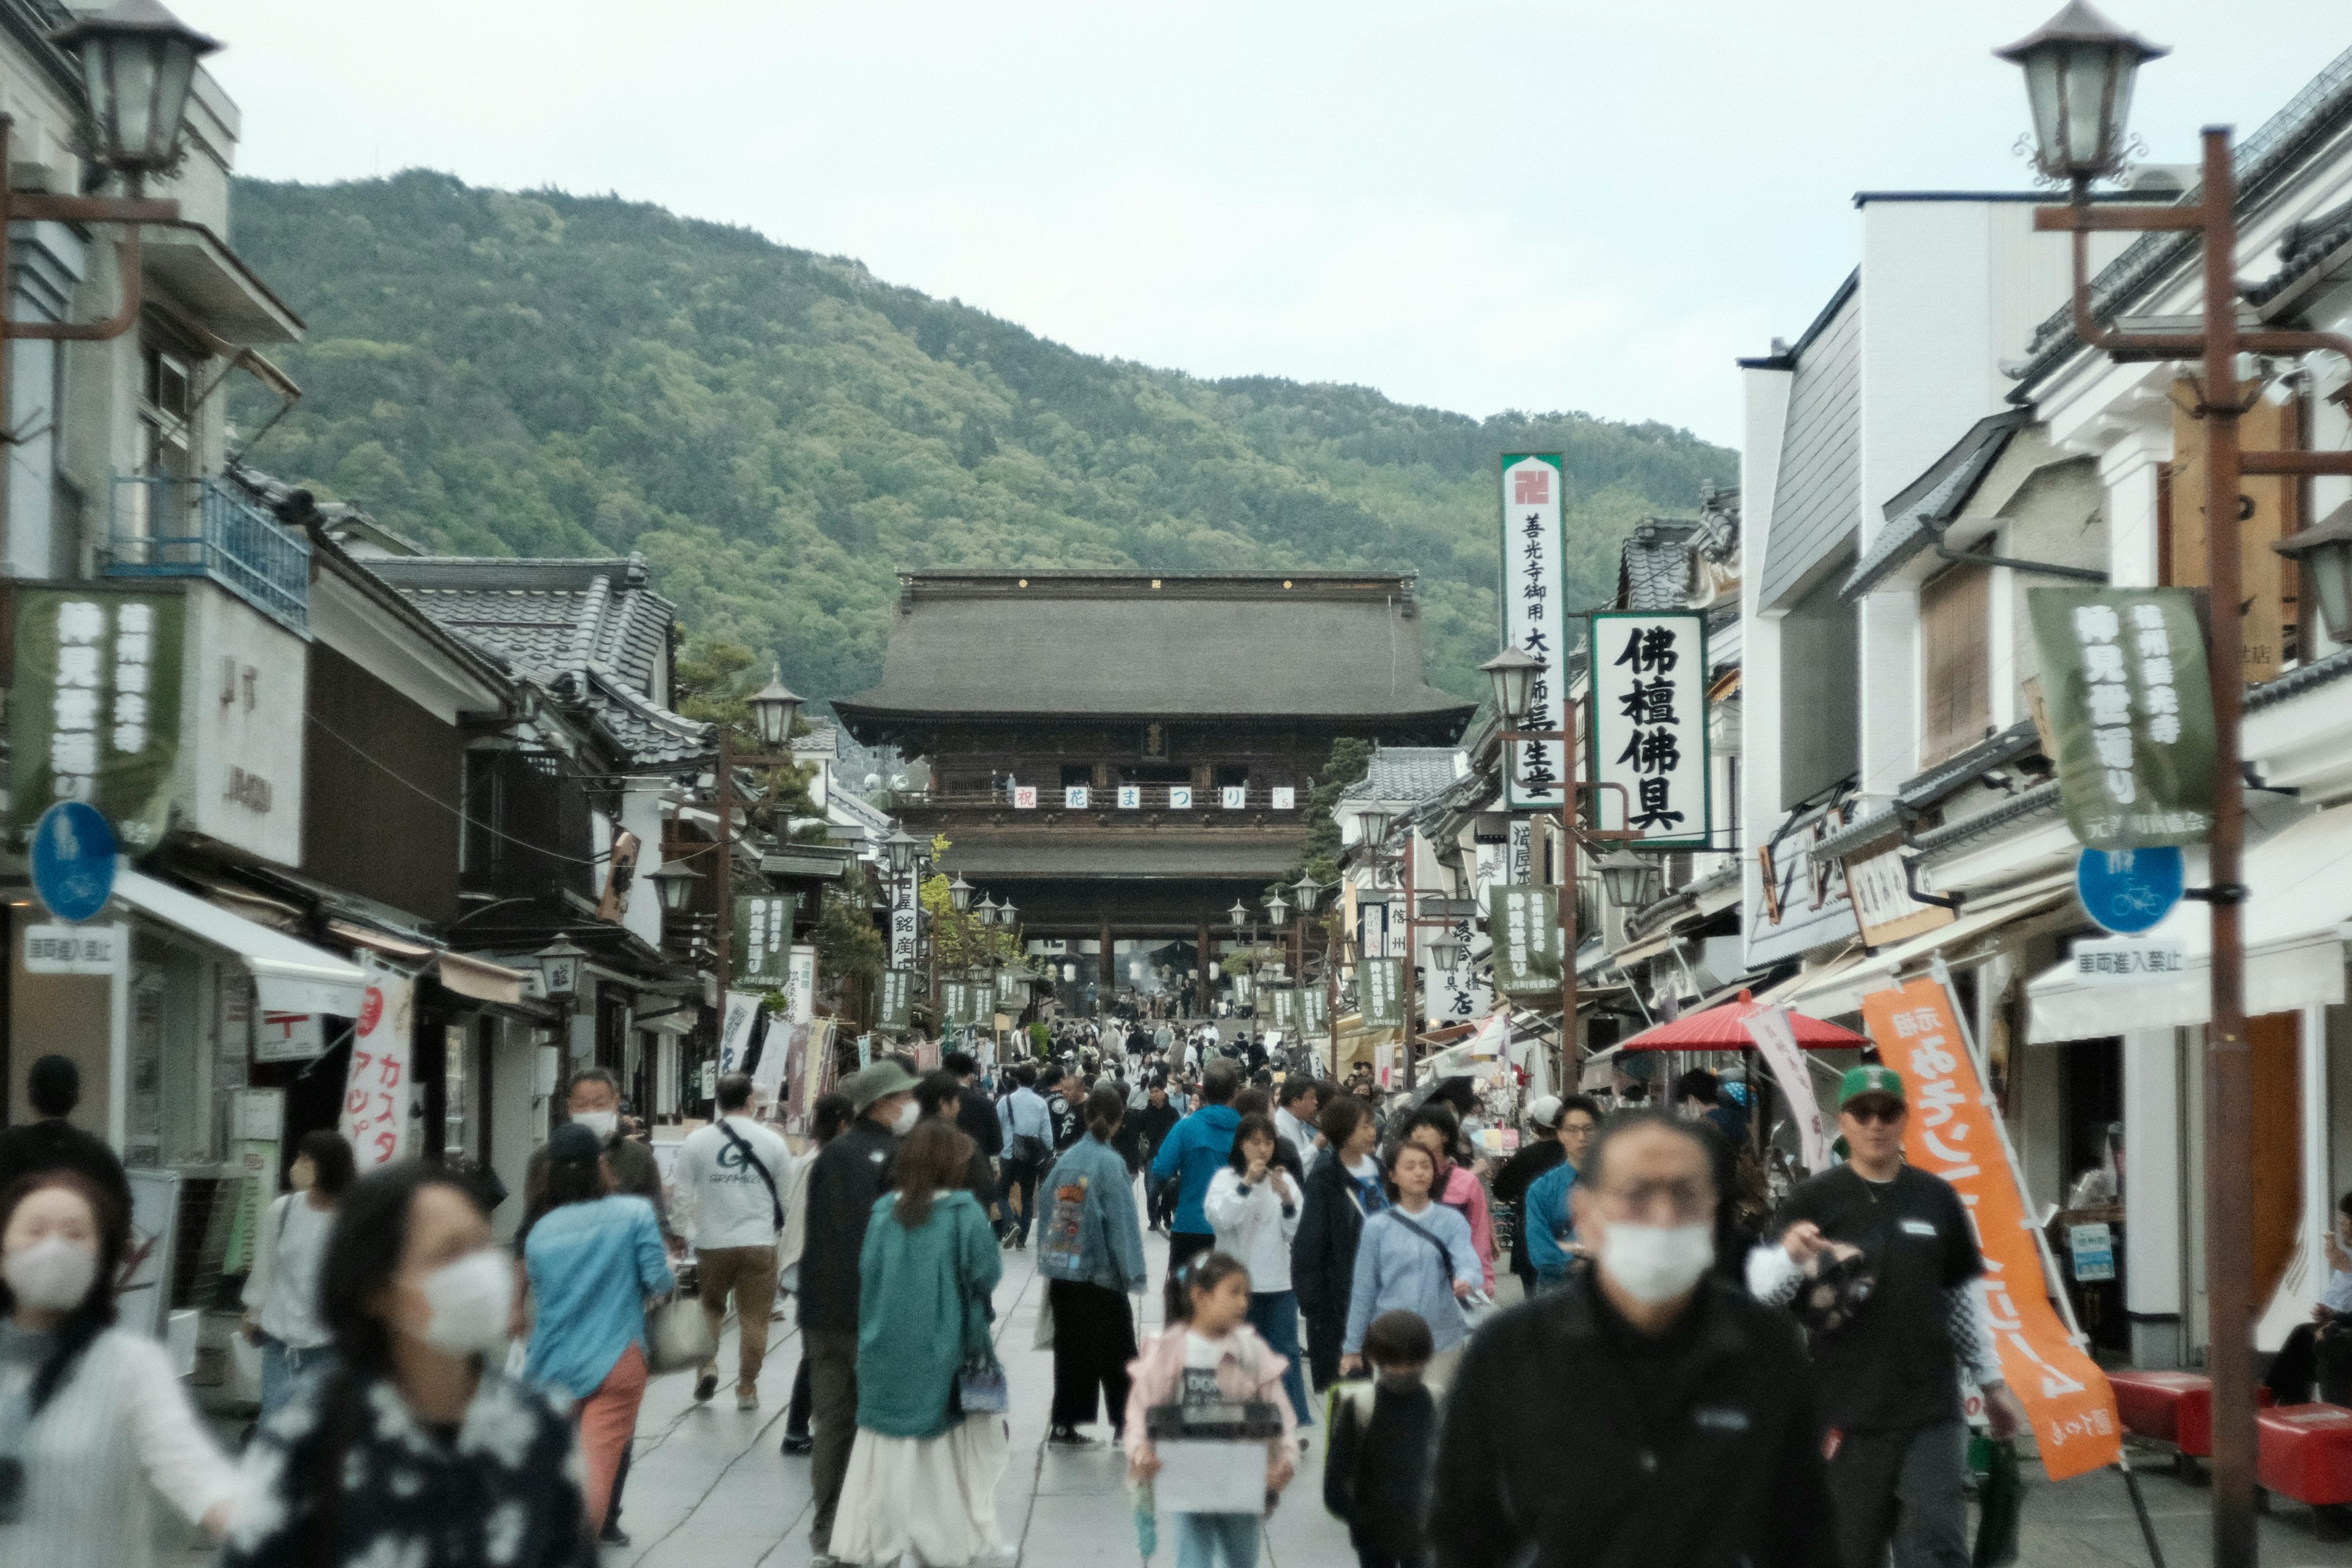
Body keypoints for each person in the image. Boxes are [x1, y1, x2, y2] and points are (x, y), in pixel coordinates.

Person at [1430, 1111, 1838, 1568]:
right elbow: (1461, 1535)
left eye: (1685, 1195)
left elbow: (1805, 1533)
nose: (1663, 1217)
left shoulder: (1765, 1350)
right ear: (1586, 1213)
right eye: (1637, 1195)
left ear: (1712, 1211)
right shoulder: (1511, 1353)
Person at [221, 1161, 589, 1567]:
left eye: (482, 1247)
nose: (480, 1271)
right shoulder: (310, 1431)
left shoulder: (540, 1425)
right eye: (450, 1253)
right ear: (378, 1288)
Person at [1749, 1066, 2025, 1568]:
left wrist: (1991, 1381)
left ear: (1905, 1120)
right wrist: (1789, 1255)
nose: (1876, 1124)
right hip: (1845, 1410)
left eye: (1888, 1112)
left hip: (1931, 1408)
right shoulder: (1814, 1199)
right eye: (1863, 1112)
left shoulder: (1937, 1198)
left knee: (1937, 1548)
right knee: (1849, 1551)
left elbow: (1962, 1299)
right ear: (1844, 1122)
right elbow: (1766, 1297)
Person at [0, 1169, 235, 1568]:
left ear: (103, 1261)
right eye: (35, 1230)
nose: (53, 1248)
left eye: (75, 1234)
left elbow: (195, 1472)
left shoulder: (131, 1364)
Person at [829, 1119, 1010, 1568]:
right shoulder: (964, 1212)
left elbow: (867, 1273)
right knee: (941, 1449)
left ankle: (872, 1540)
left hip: (883, 1342)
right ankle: (944, 1540)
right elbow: (986, 1273)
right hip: (944, 1344)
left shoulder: (883, 1211)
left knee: (882, 1443)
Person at [522, 1068, 667, 1545]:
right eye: (584, 1101)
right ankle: (582, 1539)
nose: (592, 1108)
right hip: (617, 1352)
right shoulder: (632, 1214)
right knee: (601, 1458)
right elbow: (658, 1277)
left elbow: (536, 1272)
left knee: (551, 1456)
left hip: (553, 1354)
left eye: (600, 1099)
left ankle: (544, 1534)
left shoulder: (542, 1234)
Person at [801, 1059, 921, 1566]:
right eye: (903, 1098)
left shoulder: (830, 1155)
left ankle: (828, 1526)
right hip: (869, 1312)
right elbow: (885, 1242)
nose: (911, 1107)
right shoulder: (894, 1157)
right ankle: (865, 1525)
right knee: (877, 1423)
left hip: (821, 1310)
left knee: (831, 1421)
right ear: (883, 1104)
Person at [1123, 1253, 1297, 1568]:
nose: (1243, 1302)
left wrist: (1286, 1457)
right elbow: (1142, 1408)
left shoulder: (1251, 1350)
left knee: (1242, 1555)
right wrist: (1140, 1451)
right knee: (1193, 1553)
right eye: (1234, 1292)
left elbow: (1279, 1411)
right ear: (1200, 1297)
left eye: (1246, 1294)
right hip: (1187, 1471)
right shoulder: (1169, 1350)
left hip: (1242, 1471)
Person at [672, 1071, 791, 1410]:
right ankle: (747, 1389)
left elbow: (682, 1194)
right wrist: (775, 1234)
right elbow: (785, 1197)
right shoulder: (773, 1142)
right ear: (751, 1101)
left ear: (718, 1102)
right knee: (755, 1317)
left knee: (710, 1307)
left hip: (713, 1242)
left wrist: (684, 1232)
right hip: (759, 1242)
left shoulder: (697, 1142)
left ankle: (706, 1368)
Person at [1038, 1085, 1148, 1446]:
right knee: (1118, 1351)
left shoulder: (1066, 1160)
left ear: (1086, 1116)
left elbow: (1046, 1213)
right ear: (1119, 1121)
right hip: (1100, 1274)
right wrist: (1131, 1271)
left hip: (1064, 1269)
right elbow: (1121, 1224)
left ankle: (1064, 1423)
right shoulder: (1111, 1164)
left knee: (1071, 1351)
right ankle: (1126, 1423)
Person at [1342, 1141, 1480, 1392]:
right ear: (1393, 1175)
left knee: (1437, 1413)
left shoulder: (1451, 1221)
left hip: (1441, 1338)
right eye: (1410, 1166)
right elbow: (1364, 1290)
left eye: (1425, 1166)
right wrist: (1352, 1347)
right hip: (1390, 1339)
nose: (1419, 1172)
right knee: (1394, 1417)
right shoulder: (1377, 1227)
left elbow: (1468, 1260)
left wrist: (1466, 1279)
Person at [1205, 1112, 1311, 1436]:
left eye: (1268, 1142)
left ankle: (1290, 1422)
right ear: (1241, 1145)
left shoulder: (1285, 1179)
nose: (1262, 1150)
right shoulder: (1225, 1179)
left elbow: (1295, 1232)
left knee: (1283, 1353)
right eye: (1254, 1143)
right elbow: (1221, 1220)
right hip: (1237, 1286)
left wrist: (1288, 1200)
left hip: (1278, 1283)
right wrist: (1247, 1184)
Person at [240, 1128, 356, 1417]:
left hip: (331, 1346)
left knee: (323, 1439)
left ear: (329, 1167)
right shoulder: (283, 1210)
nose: (298, 1166)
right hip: (281, 1343)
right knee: (275, 1432)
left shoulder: (354, 1217)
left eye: (308, 1160)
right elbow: (265, 1269)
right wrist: (254, 1314)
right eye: (299, 1157)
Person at [1324, 1310, 1438, 1568]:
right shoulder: (1362, 1405)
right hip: (1373, 1535)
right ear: (1375, 1359)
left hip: (1423, 1532)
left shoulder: (1436, 1402)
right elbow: (1335, 1478)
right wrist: (1360, 1518)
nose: (1403, 1372)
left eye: (1412, 1363)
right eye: (1395, 1363)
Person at [1294, 1094, 1384, 1392]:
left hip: (1387, 1291)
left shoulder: (1382, 1171)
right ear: (1344, 1134)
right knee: (1347, 1392)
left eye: (1372, 1125)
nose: (1372, 1132)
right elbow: (1310, 1244)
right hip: (1341, 1298)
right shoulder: (1326, 1179)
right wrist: (1314, 1304)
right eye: (1364, 1126)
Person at [781, 1090, 854, 1457]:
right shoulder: (826, 1161)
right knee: (817, 1353)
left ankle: (800, 1426)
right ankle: (796, 1428)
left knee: (816, 1351)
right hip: (814, 1264)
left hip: (806, 1263)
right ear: (843, 1123)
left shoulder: (811, 1158)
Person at [0, 1054, 131, 1219]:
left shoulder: (8, 1147)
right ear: (76, 1097)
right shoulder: (98, 1154)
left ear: (31, 1097)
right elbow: (121, 1210)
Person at [1152, 1063, 1243, 1283]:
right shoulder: (1248, 1130)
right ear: (1235, 1092)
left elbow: (1162, 1168)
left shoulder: (1186, 1127)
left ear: (1203, 1092)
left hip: (1191, 1225)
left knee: (1184, 1299)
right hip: (1235, 1228)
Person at [2267, 1191, 2352, 1404]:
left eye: (2346, 1219)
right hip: (2342, 1325)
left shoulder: (2347, 1261)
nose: (2342, 1225)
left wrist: (2336, 1317)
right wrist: (2332, 1314)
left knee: (2311, 1339)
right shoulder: (2345, 1258)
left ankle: (2280, 1402)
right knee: (2303, 1335)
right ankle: (2278, 1401)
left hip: (2344, 1331)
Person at [1400, 1105, 1496, 1294]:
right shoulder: (1400, 1178)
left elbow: (1479, 1234)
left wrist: (1485, 1281)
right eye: (1414, 1129)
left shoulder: (1466, 1181)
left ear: (1445, 1135)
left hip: (1457, 1282)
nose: (1417, 1134)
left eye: (1425, 1127)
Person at [1488, 1095, 1567, 1300]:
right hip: (1570, 1235)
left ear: (1535, 1126)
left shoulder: (1525, 1156)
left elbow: (1502, 1190)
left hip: (1530, 1236)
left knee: (1534, 1301)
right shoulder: (1572, 1155)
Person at [1521, 1096, 1600, 1294]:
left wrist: (1568, 1247)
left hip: (1610, 1299)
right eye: (1572, 1130)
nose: (1582, 1137)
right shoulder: (1541, 1191)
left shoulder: (1619, 1185)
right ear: (1560, 1135)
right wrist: (1594, 1256)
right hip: (1556, 1296)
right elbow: (1541, 1254)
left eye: (1588, 1129)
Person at [916, 1071, 1001, 1202]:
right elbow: (985, 1188)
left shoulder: (907, 1143)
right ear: (943, 1104)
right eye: (956, 1100)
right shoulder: (962, 1146)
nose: (959, 1106)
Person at [997, 1064, 1053, 1250]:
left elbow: (998, 1127)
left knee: (1001, 1193)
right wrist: (1048, 1153)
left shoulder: (1005, 1101)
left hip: (1009, 1153)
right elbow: (1046, 1134)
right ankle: (1022, 1240)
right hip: (1031, 1155)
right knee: (1028, 1197)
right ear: (1035, 1081)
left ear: (1017, 1080)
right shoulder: (1041, 1103)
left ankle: (1011, 1222)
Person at [943, 1050, 1005, 1163]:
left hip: (939, 1170)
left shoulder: (933, 1100)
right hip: (976, 1170)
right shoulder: (985, 1104)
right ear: (971, 1076)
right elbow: (996, 1146)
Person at [1045, 1066, 1088, 1153]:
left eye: (1069, 1089)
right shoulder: (1069, 1107)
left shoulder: (1086, 1111)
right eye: (1064, 1089)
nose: (1065, 1092)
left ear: (1080, 1090)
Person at [1275, 1077, 1322, 1158]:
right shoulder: (1278, 1126)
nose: (1316, 1102)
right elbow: (1292, 1166)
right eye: (1312, 1097)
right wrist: (1315, 1146)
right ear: (1296, 1102)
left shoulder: (1299, 1125)